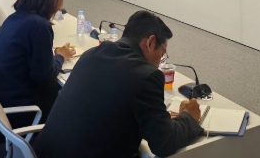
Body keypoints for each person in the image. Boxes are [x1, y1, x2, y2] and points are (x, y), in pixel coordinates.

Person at [33, 10, 203, 158]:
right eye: (162, 53)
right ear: (150, 42)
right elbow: (164, 144)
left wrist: (157, 117)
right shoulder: (147, 75)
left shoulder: (91, 54)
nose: (160, 61)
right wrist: (188, 117)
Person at [0, 0, 75, 123]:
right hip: (16, 107)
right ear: (52, 3)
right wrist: (60, 57)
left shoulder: (13, 18)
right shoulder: (39, 26)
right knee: (69, 96)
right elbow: (44, 76)